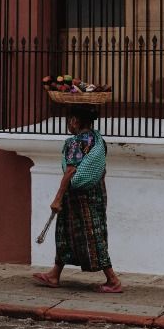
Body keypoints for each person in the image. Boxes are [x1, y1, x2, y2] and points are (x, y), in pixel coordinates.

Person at [33, 105, 122, 293]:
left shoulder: (76, 142)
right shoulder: (97, 140)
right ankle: (54, 275)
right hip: (95, 194)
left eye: (69, 121)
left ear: (74, 121)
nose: (68, 125)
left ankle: (113, 280)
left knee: (92, 235)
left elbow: (71, 170)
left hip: (78, 198)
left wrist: (57, 198)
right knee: (66, 232)